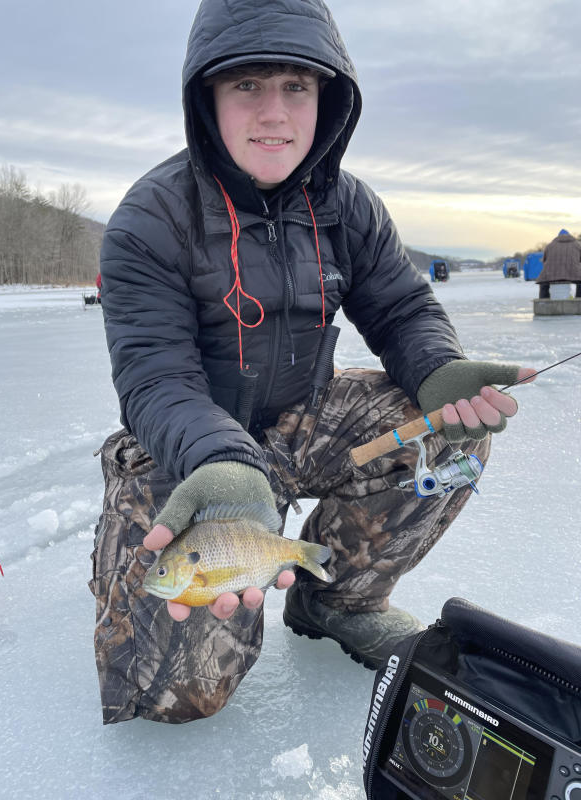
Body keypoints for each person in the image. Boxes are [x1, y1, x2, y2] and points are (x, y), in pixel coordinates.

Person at [93, 0, 536, 725]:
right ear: (205, 95)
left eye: (296, 86)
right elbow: (154, 373)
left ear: (328, 98)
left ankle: (336, 598)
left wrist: (436, 370)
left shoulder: (348, 205)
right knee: (175, 697)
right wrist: (218, 461)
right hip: (190, 451)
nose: (274, 113)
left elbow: (401, 309)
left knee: (447, 429)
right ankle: (121, 546)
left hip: (302, 418)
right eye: (246, 86)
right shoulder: (150, 219)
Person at [536, 229, 581, 299]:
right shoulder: (577, 245)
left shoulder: (550, 246)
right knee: (580, 283)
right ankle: (578, 300)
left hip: (551, 273)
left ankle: (543, 302)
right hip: (573, 273)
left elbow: (544, 261)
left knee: (543, 283)